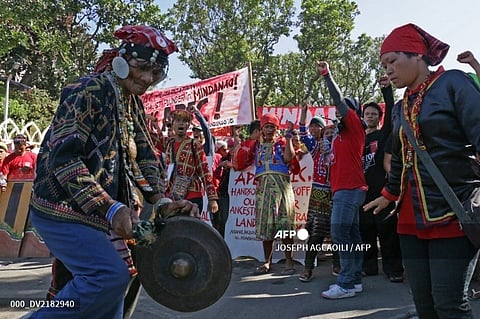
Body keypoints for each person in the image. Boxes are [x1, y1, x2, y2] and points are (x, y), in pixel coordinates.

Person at [28, 25, 199, 319]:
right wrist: (111, 210)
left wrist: (160, 201)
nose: (147, 78)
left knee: (114, 282)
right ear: (121, 60)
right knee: (109, 277)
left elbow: (145, 155)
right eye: (142, 67)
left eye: (156, 73)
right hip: (61, 209)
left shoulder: (132, 102)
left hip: (98, 215)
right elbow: (64, 160)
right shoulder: (85, 91)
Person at [364, 23, 480, 318]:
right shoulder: (401, 106)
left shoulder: (454, 82)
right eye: (384, 64)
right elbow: (401, 158)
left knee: (450, 306)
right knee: (425, 307)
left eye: (392, 60)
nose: (388, 70)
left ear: (417, 55)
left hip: (454, 212)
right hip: (409, 220)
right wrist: (389, 194)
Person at [316, 61, 367, 299]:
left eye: (346, 107)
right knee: (351, 235)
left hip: (350, 189)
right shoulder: (338, 136)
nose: (340, 109)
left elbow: (337, 100)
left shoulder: (355, 125)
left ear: (353, 111)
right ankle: (355, 280)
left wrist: (327, 75)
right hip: (345, 190)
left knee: (339, 234)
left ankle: (345, 284)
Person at [232, 114, 297, 275]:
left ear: (276, 129)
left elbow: (290, 159)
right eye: (266, 127)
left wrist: (288, 138)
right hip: (264, 190)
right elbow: (239, 163)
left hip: (282, 189)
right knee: (265, 225)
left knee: (285, 224)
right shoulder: (255, 145)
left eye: (272, 127)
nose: (269, 130)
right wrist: (238, 139)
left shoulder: (281, 143)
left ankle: (289, 259)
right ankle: (267, 261)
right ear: (261, 129)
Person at [359, 77, 404, 283]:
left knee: (387, 232)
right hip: (362, 193)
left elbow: (391, 112)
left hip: (383, 191)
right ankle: (369, 267)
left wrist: (386, 90)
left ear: (379, 118)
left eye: (374, 114)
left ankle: (394, 269)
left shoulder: (383, 134)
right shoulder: (358, 138)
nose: (370, 116)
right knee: (366, 231)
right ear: (363, 116)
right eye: (367, 113)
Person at [296, 103, 336, 282]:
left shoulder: (340, 148)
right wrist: (304, 113)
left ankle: (338, 265)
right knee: (316, 231)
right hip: (319, 193)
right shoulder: (315, 148)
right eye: (326, 133)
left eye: (330, 133)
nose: (328, 136)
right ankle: (308, 268)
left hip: (337, 192)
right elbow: (303, 132)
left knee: (337, 231)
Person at [164, 109, 219, 214]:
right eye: (178, 120)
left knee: (190, 228)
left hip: (192, 195)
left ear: (188, 125)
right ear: (172, 124)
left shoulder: (194, 144)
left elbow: (205, 171)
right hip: (172, 196)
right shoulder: (168, 143)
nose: (181, 123)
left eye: (185, 121)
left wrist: (212, 198)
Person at [212, 139, 233, 238]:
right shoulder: (217, 158)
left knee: (223, 220)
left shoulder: (230, 159)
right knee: (218, 220)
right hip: (218, 193)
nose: (228, 151)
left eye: (229, 149)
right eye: (224, 149)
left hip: (227, 195)